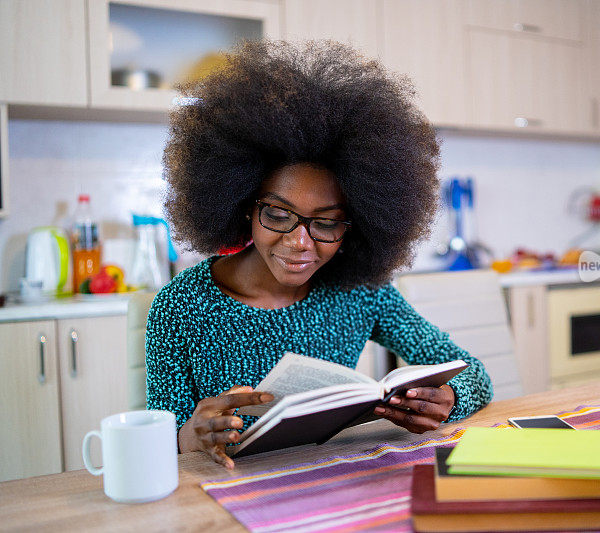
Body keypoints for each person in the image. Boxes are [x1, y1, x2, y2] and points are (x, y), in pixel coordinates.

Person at [145, 40, 493, 469]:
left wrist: (448, 399)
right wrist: (187, 436)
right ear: (243, 206)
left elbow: (474, 374)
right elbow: (155, 440)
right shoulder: (181, 307)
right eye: (278, 214)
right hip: (224, 495)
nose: (301, 242)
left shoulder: (360, 292)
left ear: (355, 225)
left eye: (326, 222)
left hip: (329, 482)